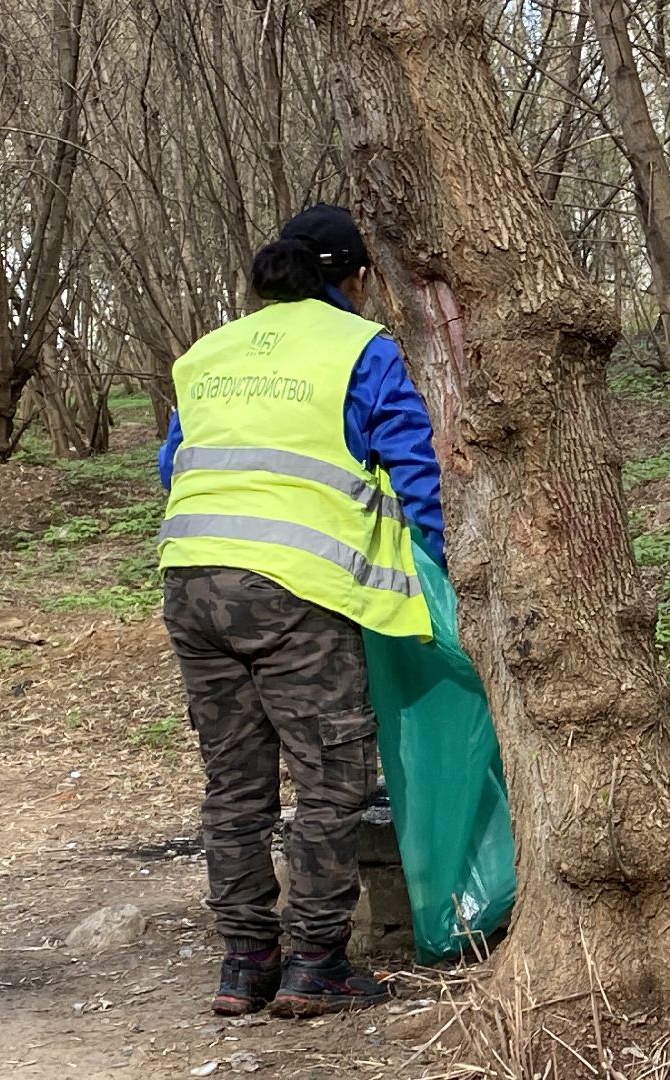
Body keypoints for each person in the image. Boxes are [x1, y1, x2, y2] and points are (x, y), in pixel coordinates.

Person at [155, 204, 445, 1017]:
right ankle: (316, 962)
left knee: (235, 782)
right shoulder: (361, 348)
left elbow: (172, 465)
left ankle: (245, 964)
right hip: (295, 592)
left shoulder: (207, 352)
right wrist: (451, 571)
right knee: (329, 777)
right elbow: (417, 473)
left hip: (190, 580)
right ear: (354, 277)